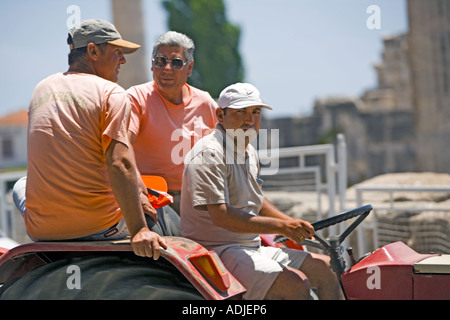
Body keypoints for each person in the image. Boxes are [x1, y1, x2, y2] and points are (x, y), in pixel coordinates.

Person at [12, 19, 172, 259]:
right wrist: (139, 229)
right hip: (100, 229)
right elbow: (120, 164)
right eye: (117, 52)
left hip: (42, 231)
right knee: (161, 213)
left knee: (20, 185)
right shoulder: (112, 93)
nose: (123, 60)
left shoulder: (41, 89)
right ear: (93, 51)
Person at [180, 83, 344, 300]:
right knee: (293, 284)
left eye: (255, 112)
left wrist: (292, 224)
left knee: (327, 269)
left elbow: (256, 199)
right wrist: (282, 227)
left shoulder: (248, 151)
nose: (250, 120)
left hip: (250, 246)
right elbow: (221, 215)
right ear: (220, 114)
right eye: (241, 112)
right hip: (217, 250)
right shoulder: (208, 153)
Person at [127, 31, 218, 214]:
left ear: (190, 68)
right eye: (160, 61)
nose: (167, 68)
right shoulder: (135, 98)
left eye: (176, 63)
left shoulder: (205, 102)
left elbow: (229, 148)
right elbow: (120, 148)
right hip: (151, 200)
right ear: (152, 65)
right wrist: (137, 192)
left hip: (198, 199)